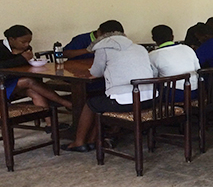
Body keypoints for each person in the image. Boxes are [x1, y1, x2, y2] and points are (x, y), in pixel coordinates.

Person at [61, 20, 154, 152]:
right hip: (149, 99)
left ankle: (79, 142)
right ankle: (93, 140)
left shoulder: (103, 48)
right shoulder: (139, 48)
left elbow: (96, 72)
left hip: (126, 102)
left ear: (101, 34)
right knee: (99, 101)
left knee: (90, 105)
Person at [0, 25, 73, 133]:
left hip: (13, 82)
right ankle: (66, 103)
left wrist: (26, 59)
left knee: (34, 92)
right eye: (23, 42)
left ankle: (51, 124)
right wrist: (21, 59)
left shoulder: (25, 49)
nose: (27, 45)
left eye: (29, 42)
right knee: (29, 82)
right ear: (11, 39)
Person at [148, 25, 200, 102]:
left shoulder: (153, 55)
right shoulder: (188, 48)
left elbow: (153, 78)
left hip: (174, 95)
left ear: (153, 39)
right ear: (172, 37)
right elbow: (198, 69)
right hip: (195, 91)